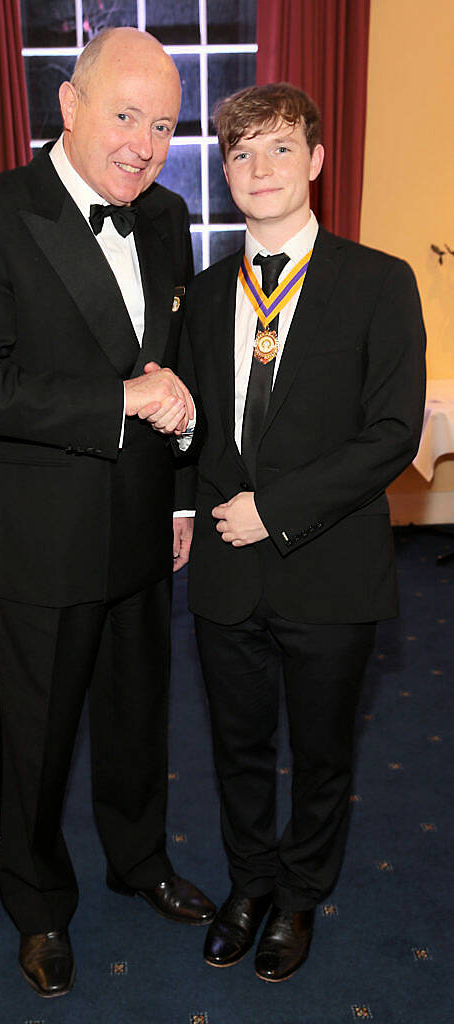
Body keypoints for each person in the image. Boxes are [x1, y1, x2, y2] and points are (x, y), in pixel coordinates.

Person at [0, 27, 215, 999]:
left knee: (138, 719)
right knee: (38, 736)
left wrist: (180, 494)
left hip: (144, 521)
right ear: (68, 103)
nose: (141, 141)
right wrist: (116, 402)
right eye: (123, 113)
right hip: (44, 536)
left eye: (163, 124)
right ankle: (37, 902)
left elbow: (174, 369)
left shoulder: (172, 216)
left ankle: (138, 862)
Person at [183, 83, 425, 982]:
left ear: (316, 161)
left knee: (321, 753)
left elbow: (391, 434)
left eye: (279, 149)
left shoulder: (378, 281)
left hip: (329, 568)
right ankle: (248, 882)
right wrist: (181, 508)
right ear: (225, 173)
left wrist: (273, 510)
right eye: (240, 154)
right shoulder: (203, 295)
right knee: (237, 746)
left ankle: (296, 896)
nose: (259, 169)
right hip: (223, 573)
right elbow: (193, 427)